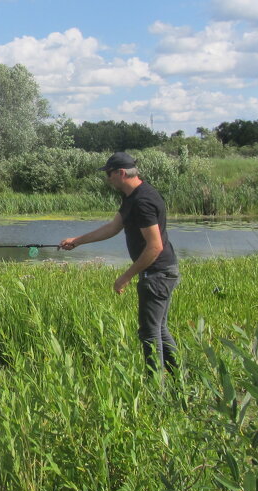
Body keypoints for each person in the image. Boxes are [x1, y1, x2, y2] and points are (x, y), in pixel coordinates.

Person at [59, 152, 180, 374]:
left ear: (121, 173)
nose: (107, 179)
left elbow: (155, 246)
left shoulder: (143, 200)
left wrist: (126, 276)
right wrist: (77, 241)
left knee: (149, 332)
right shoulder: (132, 197)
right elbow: (113, 227)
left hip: (157, 274)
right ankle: (177, 379)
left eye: (109, 174)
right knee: (158, 329)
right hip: (160, 272)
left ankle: (157, 388)